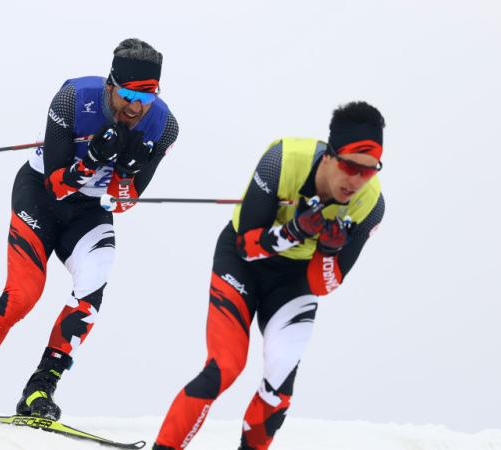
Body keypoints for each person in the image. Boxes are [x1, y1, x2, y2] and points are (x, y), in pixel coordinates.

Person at [0, 38, 179, 425]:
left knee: (92, 289)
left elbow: (123, 203)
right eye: (127, 94)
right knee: (23, 295)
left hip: (89, 212)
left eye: (147, 97)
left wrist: (126, 171)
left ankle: (41, 388)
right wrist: (92, 158)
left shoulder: (164, 126)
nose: (136, 107)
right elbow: (57, 185)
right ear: (111, 86)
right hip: (40, 194)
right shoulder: (73, 100)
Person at [152, 101, 386, 450]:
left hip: (294, 280)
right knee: (225, 367)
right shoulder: (283, 159)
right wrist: (293, 231)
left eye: (369, 171)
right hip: (242, 264)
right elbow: (247, 246)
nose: (357, 181)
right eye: (351, 166)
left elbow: (325, 284)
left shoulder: (371, 204)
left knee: (280, 381)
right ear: (329, 156)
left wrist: (329, 250)